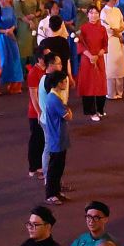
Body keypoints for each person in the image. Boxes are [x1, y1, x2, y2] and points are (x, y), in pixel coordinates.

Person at [41, 70, 73, 205]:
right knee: (54, 169)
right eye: (64, 81)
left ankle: (56, 192)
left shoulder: (54, 98)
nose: (66, 83)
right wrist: (69, 111)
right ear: (58, 83)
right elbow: (69, 116)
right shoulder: (54, 99)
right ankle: (50, 194)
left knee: (59, 168)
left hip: (60, 138)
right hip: (56, 139)